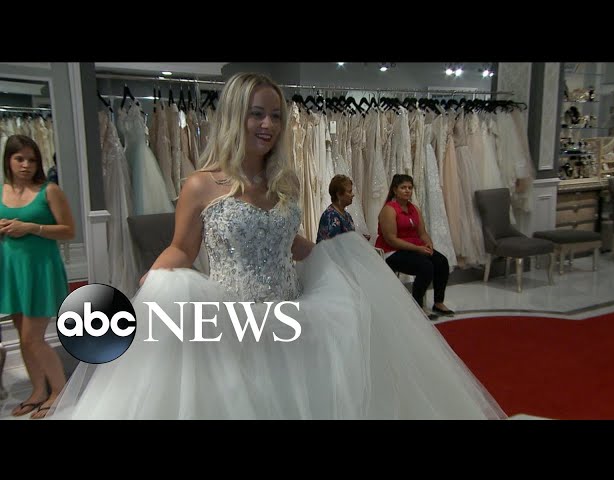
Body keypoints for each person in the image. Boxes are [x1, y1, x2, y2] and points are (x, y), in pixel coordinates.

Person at [49, 73, 505, 420]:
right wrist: (156, 277)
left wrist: (341, 257)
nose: (268, 124)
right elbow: (183, 248)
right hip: (233, 320)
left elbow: (292, 242)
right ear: (235, 116)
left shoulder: (284, 181)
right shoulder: (202, 184)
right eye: (256, 114)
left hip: (292, 313)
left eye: (275, 115)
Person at [0, 134, 74, 419]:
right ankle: (38, 390)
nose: (25, 165)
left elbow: (69, 230)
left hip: (41, 269)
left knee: (33, 338)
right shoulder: (2, 190)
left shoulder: (49, 191)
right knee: (23, 336)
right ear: (8, 160)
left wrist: (32, 227)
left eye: (31, 160)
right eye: (19, 159)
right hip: (12, 270)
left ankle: (59, 390)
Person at [375, 174, 455, 317]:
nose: (407, 190)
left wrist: (429, 244)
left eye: (410, 188)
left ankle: (438, 302)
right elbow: (391, 239)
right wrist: (418, 248)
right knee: (426, 266)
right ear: (395, 190)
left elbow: (422, 233)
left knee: (441, 261)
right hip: (392, 251)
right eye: (403, 188)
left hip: (413, 248)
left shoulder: (414, 209)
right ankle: (418, 306)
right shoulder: (389, 210)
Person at [316, 174, 367, 243]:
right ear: (339, 194)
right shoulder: (330, 216)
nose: (352, 194)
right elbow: (332, 246)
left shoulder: (347, 215)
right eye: (349, 192)